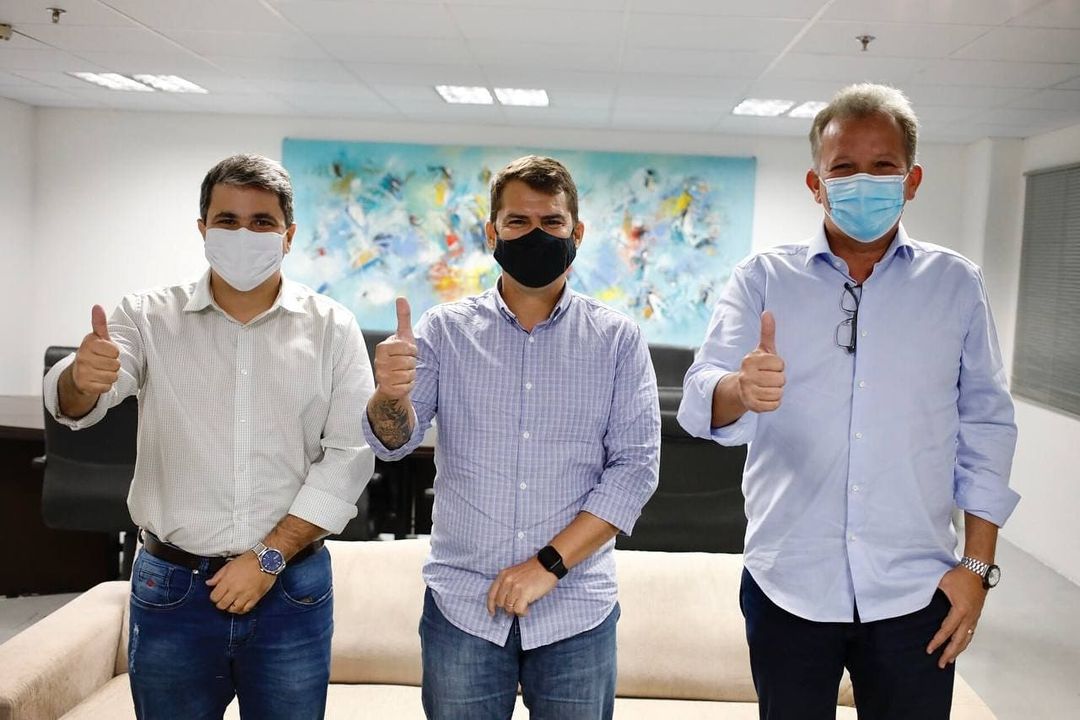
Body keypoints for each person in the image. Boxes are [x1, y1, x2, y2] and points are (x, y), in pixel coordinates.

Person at [678, 84, 1020, 720]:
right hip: (788, 583)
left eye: (883, 166)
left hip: (916, 590)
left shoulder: (955, 284)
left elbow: (988, 429)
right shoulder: (764, 278)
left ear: (912, 179)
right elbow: (700, 400)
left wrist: (977, 568)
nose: (863, 181)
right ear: (816, 183)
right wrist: (738, 389)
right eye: (843, 168)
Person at [43, 154, 376, 720]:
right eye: (227, 220)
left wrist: (267, 557)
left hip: (290, 588)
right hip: (171, 587)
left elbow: (350, 454)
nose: (244, 234)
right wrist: (80, 377)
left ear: (289, 235)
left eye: (262, 222)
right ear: (203, 229)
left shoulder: (332, 327)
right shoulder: (147, 315)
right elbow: (82, 403)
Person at [363, 155, 660, 720]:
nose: (535, 235)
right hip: (464, 606)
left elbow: (635, 471)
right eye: (518, 222)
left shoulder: (617, 340)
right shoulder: (444, 331)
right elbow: (393, 443)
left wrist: (546, 566)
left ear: (577, 233)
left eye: (551, 222)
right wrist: (388, 396)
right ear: (491, 232)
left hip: (576, 607)